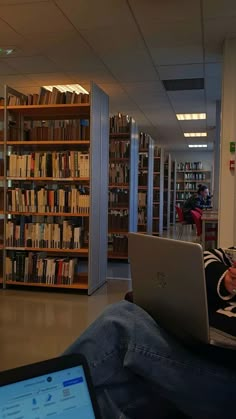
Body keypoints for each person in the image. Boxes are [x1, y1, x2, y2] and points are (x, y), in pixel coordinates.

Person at [64, 248, 236, 419]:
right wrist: (224, 278)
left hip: (225, 379)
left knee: (121, 322)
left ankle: (45, 390)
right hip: (198, 353)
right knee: (100, 398)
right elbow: (204, 257)